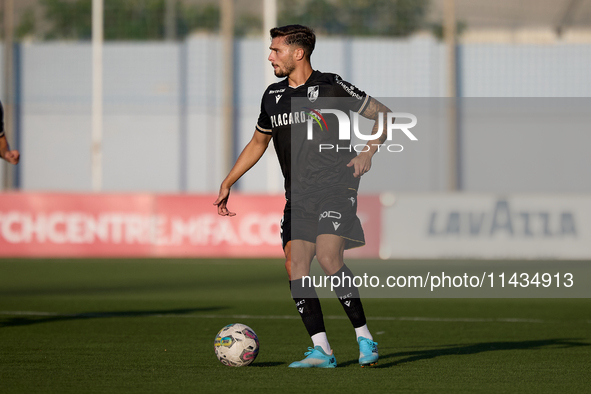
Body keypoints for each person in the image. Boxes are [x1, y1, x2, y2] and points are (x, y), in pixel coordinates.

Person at [214, 25, 390, 368]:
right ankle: (321, 349)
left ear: (299, 53)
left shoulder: (332, 86)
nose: (270, 56)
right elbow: (258, 143)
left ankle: (365, 336)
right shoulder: (272, 96)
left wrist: (369, 150)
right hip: (298, 197)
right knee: (295, 265)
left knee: (327, 258)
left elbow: (383, 114)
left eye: (275, 50)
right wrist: (228, 181)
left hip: (336, 188)